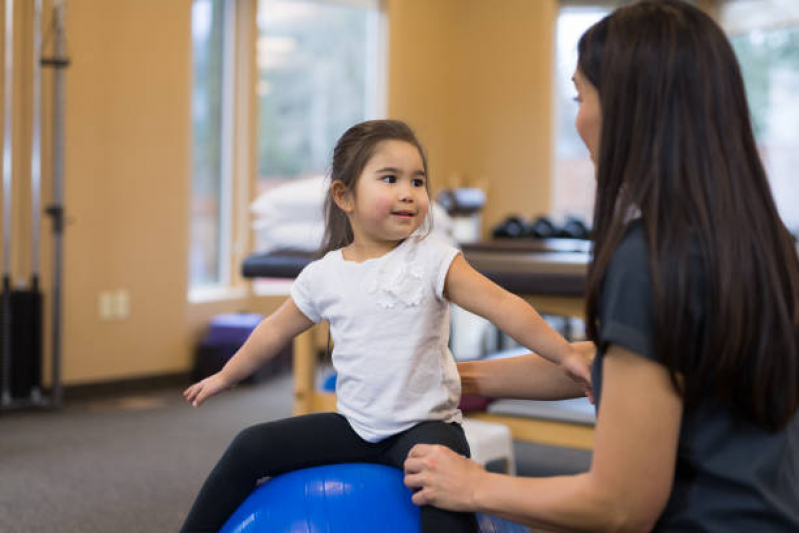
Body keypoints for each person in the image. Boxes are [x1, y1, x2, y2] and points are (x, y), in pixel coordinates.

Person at [403, 1, 799, 531]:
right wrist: (451, 375)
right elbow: (621, 363)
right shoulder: (762, 236)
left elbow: (621, 505)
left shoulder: (650, 256)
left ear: (632, 109)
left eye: (580, 96)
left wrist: (474, 484)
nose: (579, 118)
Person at [179, 119, 593, 532]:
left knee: (443, 498)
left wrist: (565, 353)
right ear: (345, 196)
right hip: (354, 428)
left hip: (425, 427)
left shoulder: (434, 259)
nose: (407, 193)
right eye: (390, 179)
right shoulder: (324, 275)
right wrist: (226, 376)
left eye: (417, 181)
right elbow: (274, 330)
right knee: (249, 446)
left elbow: (502, 306)